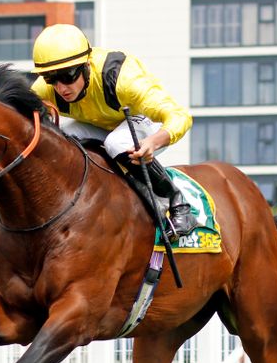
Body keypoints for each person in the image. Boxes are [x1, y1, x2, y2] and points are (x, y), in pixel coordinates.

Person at [29, 24, 197, 241]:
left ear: (86, 65)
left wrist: (154, 142)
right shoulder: (46, 89)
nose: (61, 88)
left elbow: (180, 116)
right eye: (51, 79)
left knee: (116, 143)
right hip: (104, 128)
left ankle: (177, 202)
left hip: (145, 124)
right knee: (56, 135)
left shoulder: (122, 79)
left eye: (68, 75)